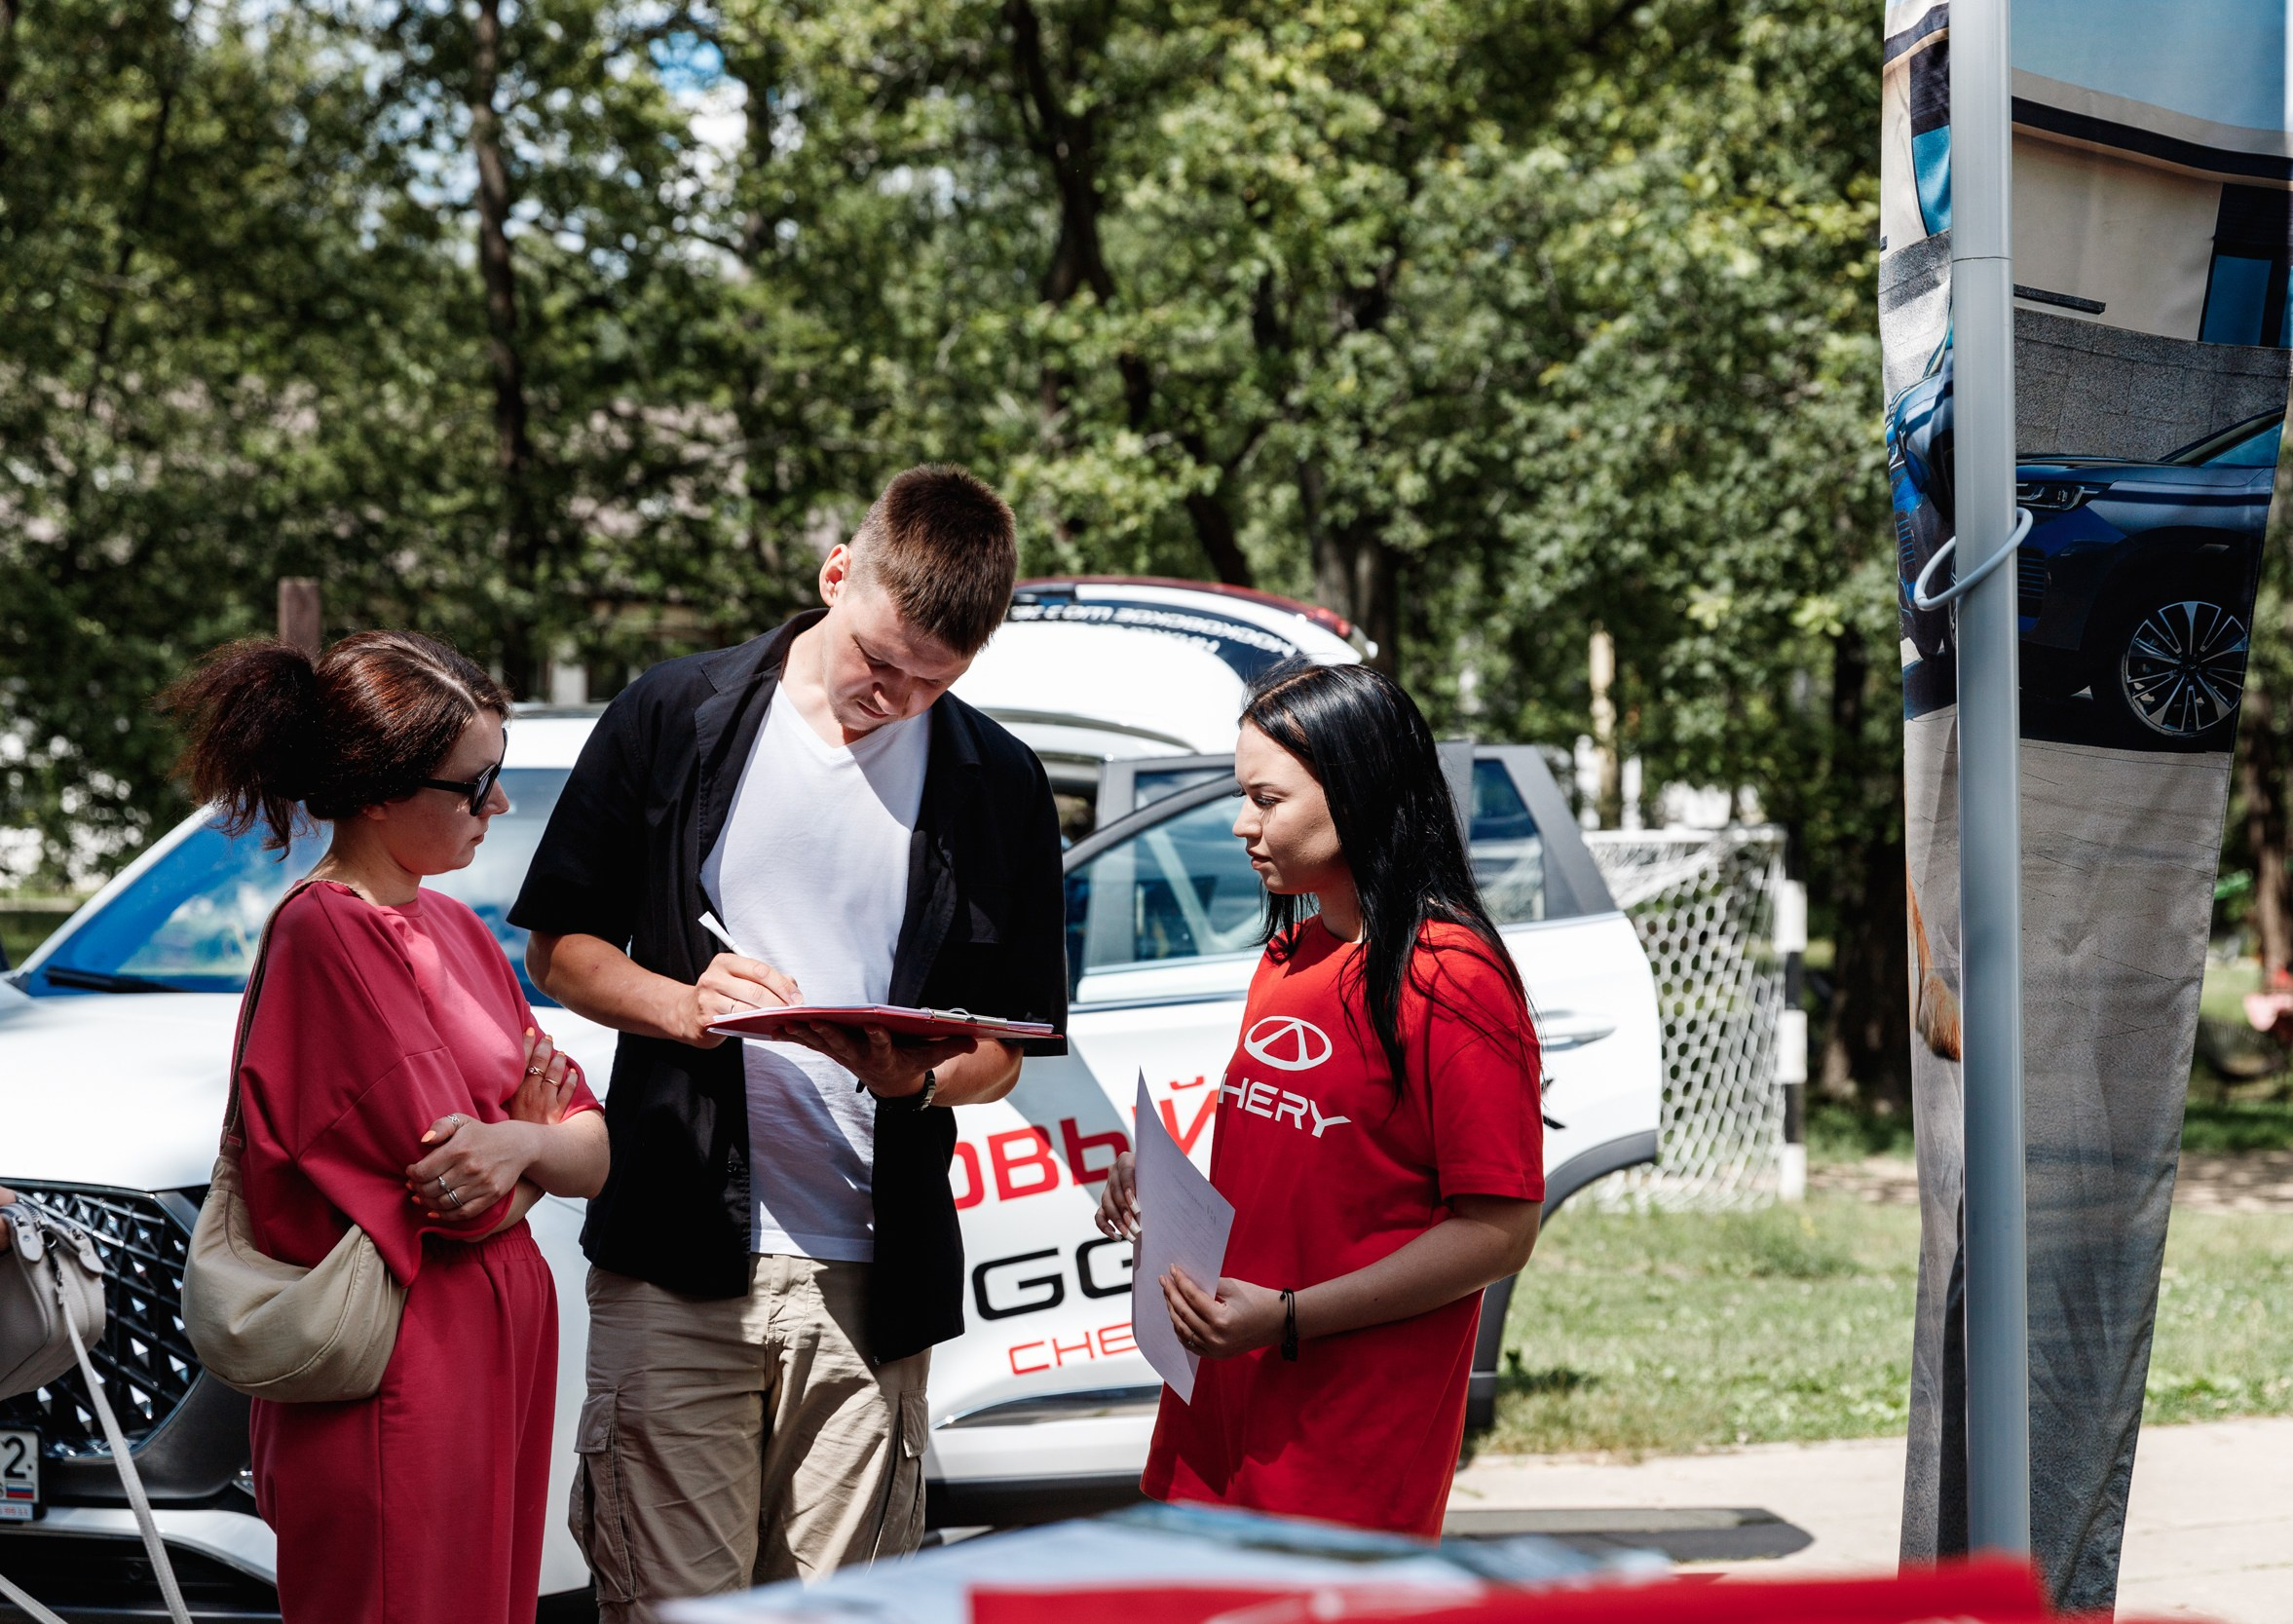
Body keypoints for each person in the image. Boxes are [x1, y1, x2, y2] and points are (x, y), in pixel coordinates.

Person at [508, 464, 1069, 1613]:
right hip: (675, 1248)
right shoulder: (674, 713)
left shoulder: (999, 782)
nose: (895, 699)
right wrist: (680, 1002)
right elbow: (558, 946)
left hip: (875, 1273)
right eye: (880, 659)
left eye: (934, 680)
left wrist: (921, 1078)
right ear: (834, 575)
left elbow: (1007, 1045)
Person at [162, 629, 611, 1624]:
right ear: (375, 794)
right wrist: (532, 1142)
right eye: (474, 781)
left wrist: (523, 1144)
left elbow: (592, 1143)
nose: (496, 803)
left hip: (482, 1347)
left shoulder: (450, 924)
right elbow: (453, 1203)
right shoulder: (327, 932)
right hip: (403, 1364)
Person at [1098, 661, 1545, 1539]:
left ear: (1358, 791)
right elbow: (1302, 1167)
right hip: (1222, 1416)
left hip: (1344, 1453)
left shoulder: (1452, 976)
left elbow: (1501, 1228)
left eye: (1266, 798)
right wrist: (1161, 1185)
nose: (1241, 823)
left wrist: (1291, 1318)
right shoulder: (1289, 954)